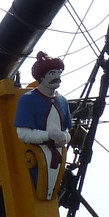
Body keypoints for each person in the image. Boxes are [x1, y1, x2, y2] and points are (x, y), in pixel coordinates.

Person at [15, 50, 73, 199]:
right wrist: (48, 135)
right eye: (52, 73)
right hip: (36, 158)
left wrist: (64, 137)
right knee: (38, 192)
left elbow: (67, 131)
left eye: (59, 72)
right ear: (42, 76)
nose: (57, 77)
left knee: (51, 192)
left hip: (58, 158)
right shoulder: (28, 100)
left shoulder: (62, 101)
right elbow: (22, 133)